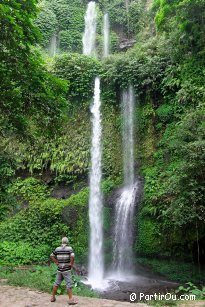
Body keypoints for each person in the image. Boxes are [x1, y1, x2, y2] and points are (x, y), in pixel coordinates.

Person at [50, 237, 77, 305]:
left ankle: (52, 297)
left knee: (56, 283)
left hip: (59, 270)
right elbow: (73, 256)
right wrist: (71, 263)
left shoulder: (57, 249)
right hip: (66, 270)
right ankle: (70, 300)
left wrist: (56, 262)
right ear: (67, 242)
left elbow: (51, 255)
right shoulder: (69, 248)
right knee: (69, 284)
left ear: (62, 242)